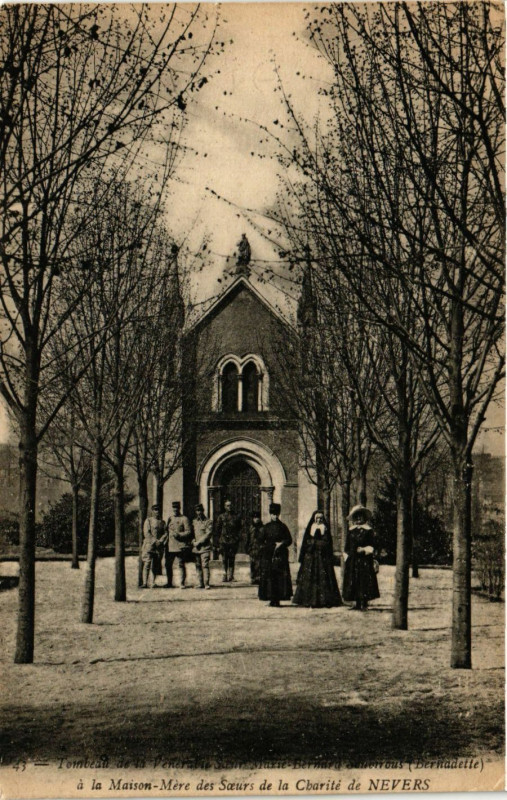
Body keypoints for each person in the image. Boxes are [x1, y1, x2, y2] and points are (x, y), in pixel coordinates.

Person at [293, 510, 343, 608]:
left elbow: (327, 543)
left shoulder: (325, 528)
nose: (319, 520)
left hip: (322, 558)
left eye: (321, 518)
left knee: (323, 577)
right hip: (310, 557)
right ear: (314, 519)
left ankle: (324, 601)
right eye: (317, 518)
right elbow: (306, 543)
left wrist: (314, 543)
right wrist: (314, 544)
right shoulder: (310, 528)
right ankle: (308, 600)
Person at [342, 504, 380, 610]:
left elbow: (373, 545)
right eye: (357, 516)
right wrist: (347, 555)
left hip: (364, 559)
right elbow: (347, 545)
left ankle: (364, 602)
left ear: (365, 518)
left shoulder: (368, 530)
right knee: (353, 579)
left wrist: (364, 550)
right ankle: (357, 603)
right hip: (353, 559)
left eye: (361, 516)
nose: (359, 518)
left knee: (363, 580)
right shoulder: (351, 530)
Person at [258, 503, 293, 607]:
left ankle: (278, 599)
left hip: (280, 556)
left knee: (279, 578)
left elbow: (289, 540)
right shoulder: (266, 527)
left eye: (276, 514)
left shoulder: (283, 527)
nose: (275, 516)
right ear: (270, 514)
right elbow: (260, 541)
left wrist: (281, 544)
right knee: (270, 578)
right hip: (269, 556)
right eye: (273, 514)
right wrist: (268, 547)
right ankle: (271, 598)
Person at [165, 501, 193, 589]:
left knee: (181, 564)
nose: (175, 510)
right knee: (168, 564)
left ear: (179, 508)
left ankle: (182, 583)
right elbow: (167, 531)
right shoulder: (170, 519)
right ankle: (169, 582)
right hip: (170, 546)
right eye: (174, 508)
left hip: (180, 545)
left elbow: (189, 532)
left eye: (176, 508)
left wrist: (180, 534)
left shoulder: (184, 519)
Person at [214, 499, 242, 582]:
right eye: (227, 505)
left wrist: (237, 538)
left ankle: (231, 576)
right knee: (224, 559)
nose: (229, 507)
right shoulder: (221, 517)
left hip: (233, 541)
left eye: (230, 505)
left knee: (232, 558)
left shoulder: (236, 516)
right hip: (224, 541)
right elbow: (217, 529)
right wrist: (218, 541)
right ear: (224, 506)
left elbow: (239, 528)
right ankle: (224, 575)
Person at [141, 504, 166, 588]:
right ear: (152, 511)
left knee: (155, 565)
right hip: (149, 545)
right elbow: (146, 533)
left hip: (158, 547)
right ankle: (145, 582)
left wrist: (161, 541)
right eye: (155, 510)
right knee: (147, 564)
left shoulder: (162, 522)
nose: (157, 511)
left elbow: (165, 533)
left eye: (158, 510)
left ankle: (153, 582)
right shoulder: (148, 521)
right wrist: (155, 541)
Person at [192, 503, 213, 589]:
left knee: (205, 565)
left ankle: (206, 583)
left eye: (200, 510)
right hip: (196, 548)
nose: (199, 512)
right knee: (198, 565)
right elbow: (192, 533)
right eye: (197, 511)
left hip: (205, 547)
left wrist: (199, 542)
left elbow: (208, 534)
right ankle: (200, 583)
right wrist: (193, 541)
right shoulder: (194, 521)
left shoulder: (208, 521)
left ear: (203, 511)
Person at [246, 510, 263, 585]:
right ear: (253, 519)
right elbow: (248, 539)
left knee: (259, 564)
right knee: (252, 564)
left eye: (258, 518)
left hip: (260, 548)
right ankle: (253, 578)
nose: (256, 519)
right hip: (252, 548)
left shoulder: (262, 528)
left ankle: (259, 578)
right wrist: (247, 548)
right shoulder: (250, 528)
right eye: (255, 518)